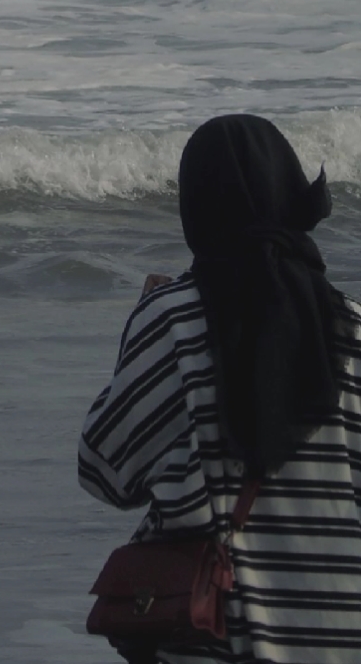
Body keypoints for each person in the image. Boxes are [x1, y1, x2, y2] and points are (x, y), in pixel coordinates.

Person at [79, 113, 361, 664]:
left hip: (213, 639)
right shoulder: (353, 328)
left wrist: (138, 329)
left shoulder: (172, 321)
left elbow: (106, 474)